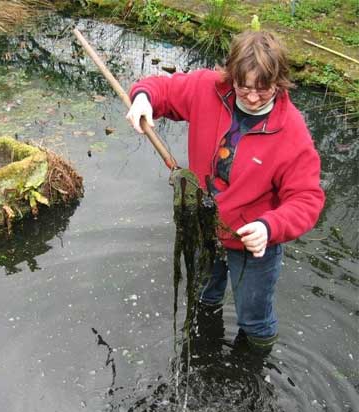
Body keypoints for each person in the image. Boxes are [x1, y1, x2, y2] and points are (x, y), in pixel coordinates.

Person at [126, 31, 325, 354]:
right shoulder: (208, 89)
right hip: (203, 230)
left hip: (253, 243)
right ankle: (205, 352)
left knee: (254, 320)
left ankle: (254, 368)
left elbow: (307, 198)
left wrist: (268, 227)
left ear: (279, 82)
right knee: (204, 297)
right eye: (243, 87)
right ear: (231, 76)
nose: (252, 97)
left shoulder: (292, 130)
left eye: (263, 90)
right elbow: (160, 88)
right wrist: (143, 98)